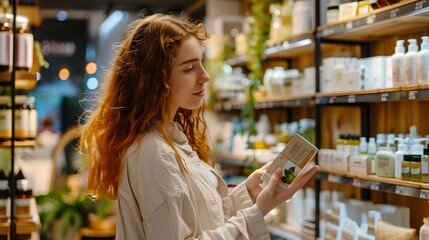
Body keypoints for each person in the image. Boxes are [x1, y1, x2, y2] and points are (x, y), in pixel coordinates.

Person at [79, 13, 319, 239]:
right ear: (155, 80)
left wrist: (250, 193)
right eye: (189, 68)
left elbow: (206, 218)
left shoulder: (170, 137)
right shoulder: (153, 151)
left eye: (201, 63)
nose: (205, 76)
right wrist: (258, 211)